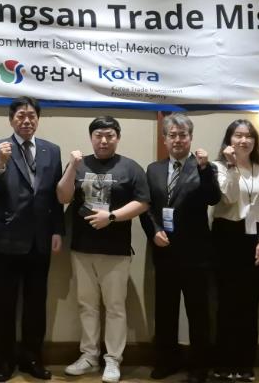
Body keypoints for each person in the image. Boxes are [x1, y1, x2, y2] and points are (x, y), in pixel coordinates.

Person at [0, 96, 64, 382]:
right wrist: (0, 163)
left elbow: (55, 196)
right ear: (11, 119)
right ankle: (3, 361)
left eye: (31, 116)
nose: (26, 121)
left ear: (38, 119)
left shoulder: (52, 150)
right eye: (20, 116)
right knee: (5, 304)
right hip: (8, 238)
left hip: (41, 239)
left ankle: (32, 358)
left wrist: (57, 230)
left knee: (36, 304)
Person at [57, 116, 149, 383]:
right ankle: (88, 356)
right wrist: (72, 167)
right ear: (91, 138)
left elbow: (143, 202)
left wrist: (112, 217)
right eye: (98, 135)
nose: (104, 140)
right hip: (82, 248)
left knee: (115, 307)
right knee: (87, 305)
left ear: (117, 138)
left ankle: (113, 359)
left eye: (110, 135)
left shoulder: (130, 167)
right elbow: (63, 196)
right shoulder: (79, 164)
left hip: (116, 250)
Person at [141, 113, 221, 383]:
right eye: (172, 135)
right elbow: (146, 207)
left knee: (198, 312)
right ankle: (167, 360)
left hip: (196, 253)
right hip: (164, 251)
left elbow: (213, 198)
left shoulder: (203, 167)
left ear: (190, 138)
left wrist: (205, 169)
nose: (177, 140)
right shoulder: (153, 169)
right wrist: (154, 231)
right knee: (165, 310)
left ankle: (199, 366)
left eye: (182, 135)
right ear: (164, 139)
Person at [210, 119, 259, 382]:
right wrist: (231, 165)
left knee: (250, 303)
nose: (243, 140)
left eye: (249, 136)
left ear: (255, 141)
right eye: (238, 135)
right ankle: (223, 363)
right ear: (229, 140)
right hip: (225, 237)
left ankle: (245, 363)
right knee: (226, 302)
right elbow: (227, 198)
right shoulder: (217, 167)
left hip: (256, 239)